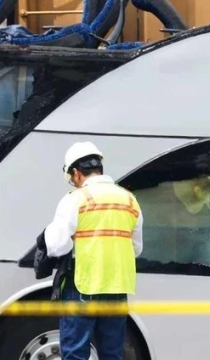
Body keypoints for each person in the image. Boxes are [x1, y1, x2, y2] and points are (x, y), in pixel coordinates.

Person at [42, 141, 143, 360]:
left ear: (76, 173)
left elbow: (58, 246)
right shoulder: (129, 199)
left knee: (76, 353)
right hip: (117, 288)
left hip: (82, 285)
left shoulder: (76, 199)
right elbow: (136, 248)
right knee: (112, 354)